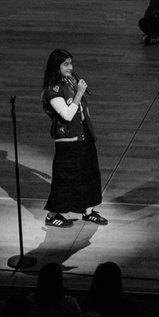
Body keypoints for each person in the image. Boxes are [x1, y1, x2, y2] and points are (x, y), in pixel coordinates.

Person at [41, 49, 107, 227]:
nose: (70, 67)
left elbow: (81, 109)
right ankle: (52, 214)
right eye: (66, 64)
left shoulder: (70, 81)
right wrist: (79, 93)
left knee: (89, 173)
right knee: (65, 179)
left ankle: (88, 211)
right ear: (57, 66)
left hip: (84, 135)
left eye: (71, 63)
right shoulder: (52, 90)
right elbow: (67, 115)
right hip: (68, 141)